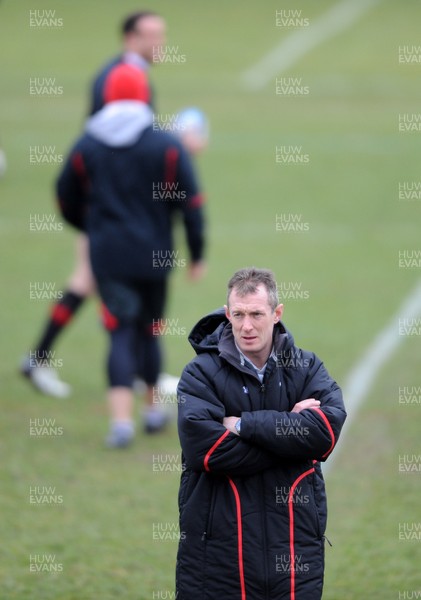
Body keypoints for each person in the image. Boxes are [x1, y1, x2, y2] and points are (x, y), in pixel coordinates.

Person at [20, 10, 197, 399]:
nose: (161, 43)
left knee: (89, 283)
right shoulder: (118, 78)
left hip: (109, 212)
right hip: (111, 212)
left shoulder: (128, 74)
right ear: (131, 37)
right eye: (153, 35)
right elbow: (115, 146)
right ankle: (56, 361)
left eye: (163, 34)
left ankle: (47, 359)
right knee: (95, 284)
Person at [56, 63, 206, 446]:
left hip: (108, 254)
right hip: (154, 254)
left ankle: (120, 424)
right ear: (145, 95)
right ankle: (152, 411)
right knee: (151, 329)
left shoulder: (88, 142)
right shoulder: (165, 144)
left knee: (119, 331)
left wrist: (87, 224)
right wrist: (196, 251)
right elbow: (191, 201)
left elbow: (64, 194)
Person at [176, 267, 346, 599]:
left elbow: (324, 435)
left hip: (294, 556)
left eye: (256, 314)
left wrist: (242, 425)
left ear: (277, 313)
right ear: (228, 314)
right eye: (237, 315)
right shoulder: (199, 374)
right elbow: (207, 451)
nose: (247, 326)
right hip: (217, 560)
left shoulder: (307, 368)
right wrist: (289, 437)